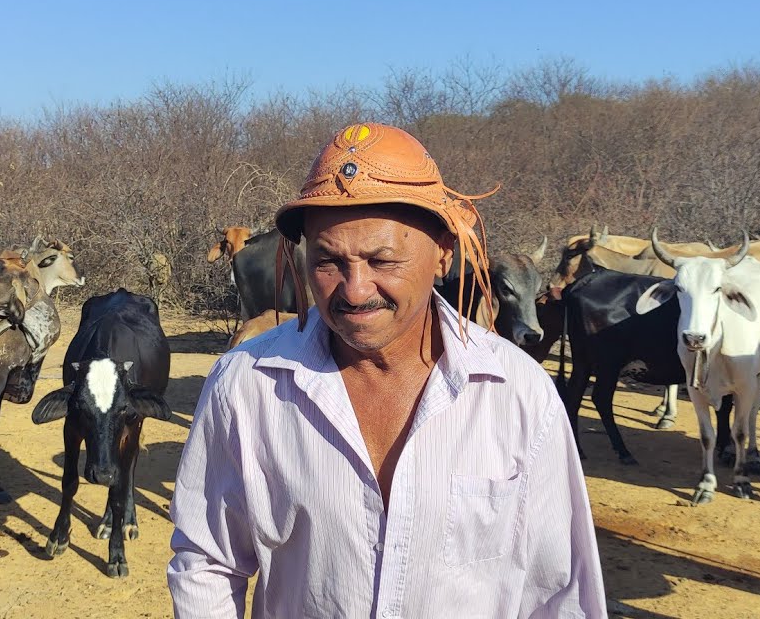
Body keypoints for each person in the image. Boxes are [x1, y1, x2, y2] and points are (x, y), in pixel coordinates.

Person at [168, 123, 606, 618]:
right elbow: (207, 560)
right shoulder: (246, 384)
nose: (355, 290)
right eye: (328, 262)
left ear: (443, 252)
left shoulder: (518, 392)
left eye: (383, 259)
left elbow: (559, 589)